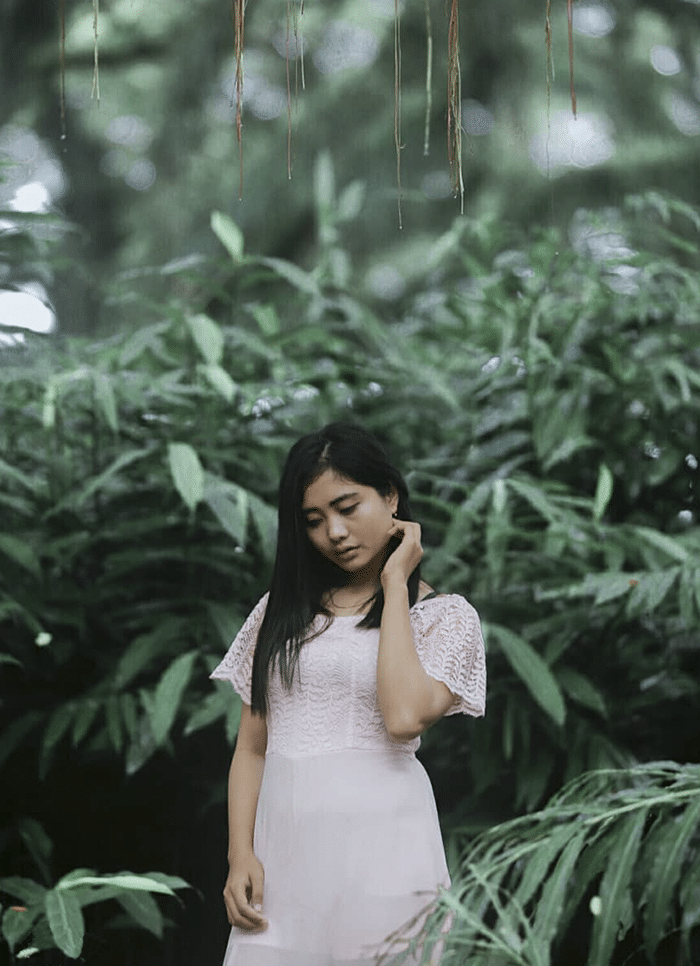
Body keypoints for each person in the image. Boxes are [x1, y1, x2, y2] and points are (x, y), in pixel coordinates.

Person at [211, 421, 486, 966]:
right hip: (282, 857)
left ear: (391, 497)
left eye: (348, 507)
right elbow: (252, 746)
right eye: (314, 521)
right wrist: (240, 854)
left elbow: (403, 718)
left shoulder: (445, 617)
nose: (334, 532)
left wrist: (395, 584)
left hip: (387, 850)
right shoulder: (278, 613)